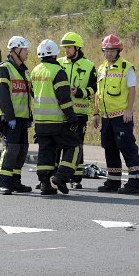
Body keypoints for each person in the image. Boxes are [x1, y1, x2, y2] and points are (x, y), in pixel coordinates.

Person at [92, 33, 139, 194]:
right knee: (109, 148)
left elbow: (132, 90)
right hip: (106, 117)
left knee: (127, 148)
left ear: (119, 50)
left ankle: (135, 182)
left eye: (112, 50)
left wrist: (129, 110)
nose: (109, 53)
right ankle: (113, 182)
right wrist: (96, 113)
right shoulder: (101, 68)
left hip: (121, 116)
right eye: (106, 50)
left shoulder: (126, 67)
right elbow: (98, 93)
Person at [31, 39, 80, 196]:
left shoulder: (35, 71)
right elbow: (64, 99)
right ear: (55, 53)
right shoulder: (58, 72)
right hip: (58, 122)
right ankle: (61, 177)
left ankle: (45, 184)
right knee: (75, 146)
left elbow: (33, 93)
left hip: (40, 123)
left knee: (46, 152)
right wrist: (72, 118)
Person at [0, 36, 34, 195]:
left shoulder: (24, 70)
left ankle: (15, 182)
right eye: (25, 50)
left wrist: (29, 117)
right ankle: (3, 182)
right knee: (11, 150)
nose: (26, 53)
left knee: (22, 149)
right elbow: (3, 95)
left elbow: (27, 94)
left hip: (22, 118)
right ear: (16, 50)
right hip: (9, 118)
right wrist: (9, 116)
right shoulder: (4, 69)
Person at [57, 31, 97, 189]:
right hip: (60, 113)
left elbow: (95, 88)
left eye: (69, 47)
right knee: (59, 145)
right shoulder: (59, 63)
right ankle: (59, 175)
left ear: (77, 48)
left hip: (79, 114)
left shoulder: (89, 66)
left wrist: (79, 92)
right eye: (64, 48)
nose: (66, 50)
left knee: (77, 145)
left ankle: (76, 177)